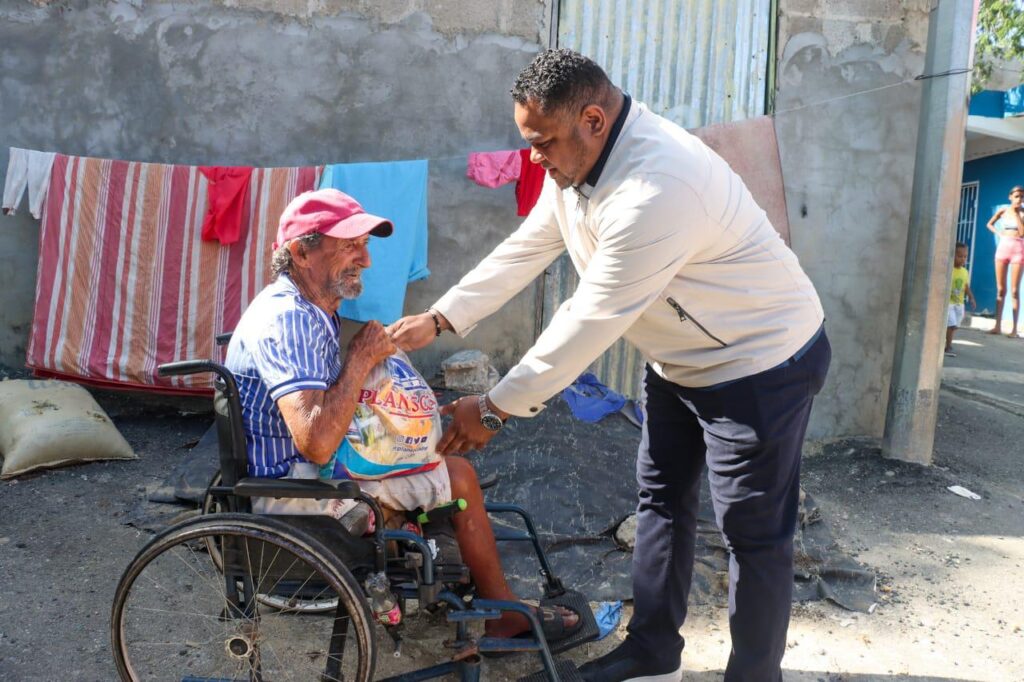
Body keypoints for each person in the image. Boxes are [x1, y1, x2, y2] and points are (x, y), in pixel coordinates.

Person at [389, 49, 831, 682]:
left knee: (751, 534)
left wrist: (492, 408)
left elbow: (588, 320)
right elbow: (531, 244)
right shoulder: (579, 165)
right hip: (678, 363)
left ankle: (755, 675)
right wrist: (442, 317)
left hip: (759, 363)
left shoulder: (660, 186)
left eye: (541, 143)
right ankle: (652, 654)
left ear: (592, 119)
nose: (534, 157)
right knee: (660, 503)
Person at [224, 188, 578, 642]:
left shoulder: (309, 309)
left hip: (307, 469)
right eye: (350, 245)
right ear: (301, 251)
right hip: (293, 491)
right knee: (460, 476)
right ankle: (501, 614)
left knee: (426, 448)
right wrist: (359, 359)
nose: (365, 260)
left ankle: (458, 580)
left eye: (365, 245)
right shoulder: (289, 318)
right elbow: (315, 441)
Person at [984, 185, 1024, 338]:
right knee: (1001, 290)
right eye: (1017, 196)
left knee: (1014, 291)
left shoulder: (1022, 212)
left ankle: (1014, 329)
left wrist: (1017, 215)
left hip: (1018, 250)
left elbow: (1022, 232)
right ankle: (997, 326)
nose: (1019, 199)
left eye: (1022, 197)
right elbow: (989, 224)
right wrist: (999, 233)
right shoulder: (1002, 211)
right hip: (1003, 249)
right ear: (1010, 197)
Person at [945, 242, 976, 357]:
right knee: (951, 324)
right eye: (960, 256)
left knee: (955, 326)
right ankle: (948, 346)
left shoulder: (964, 272)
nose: (963, 259)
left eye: (965, 256)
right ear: (953, 256)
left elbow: (965, 286)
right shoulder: (949, 270)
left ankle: (946, 341)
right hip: (949, 303)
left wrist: (971, 297)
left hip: (959, 304)